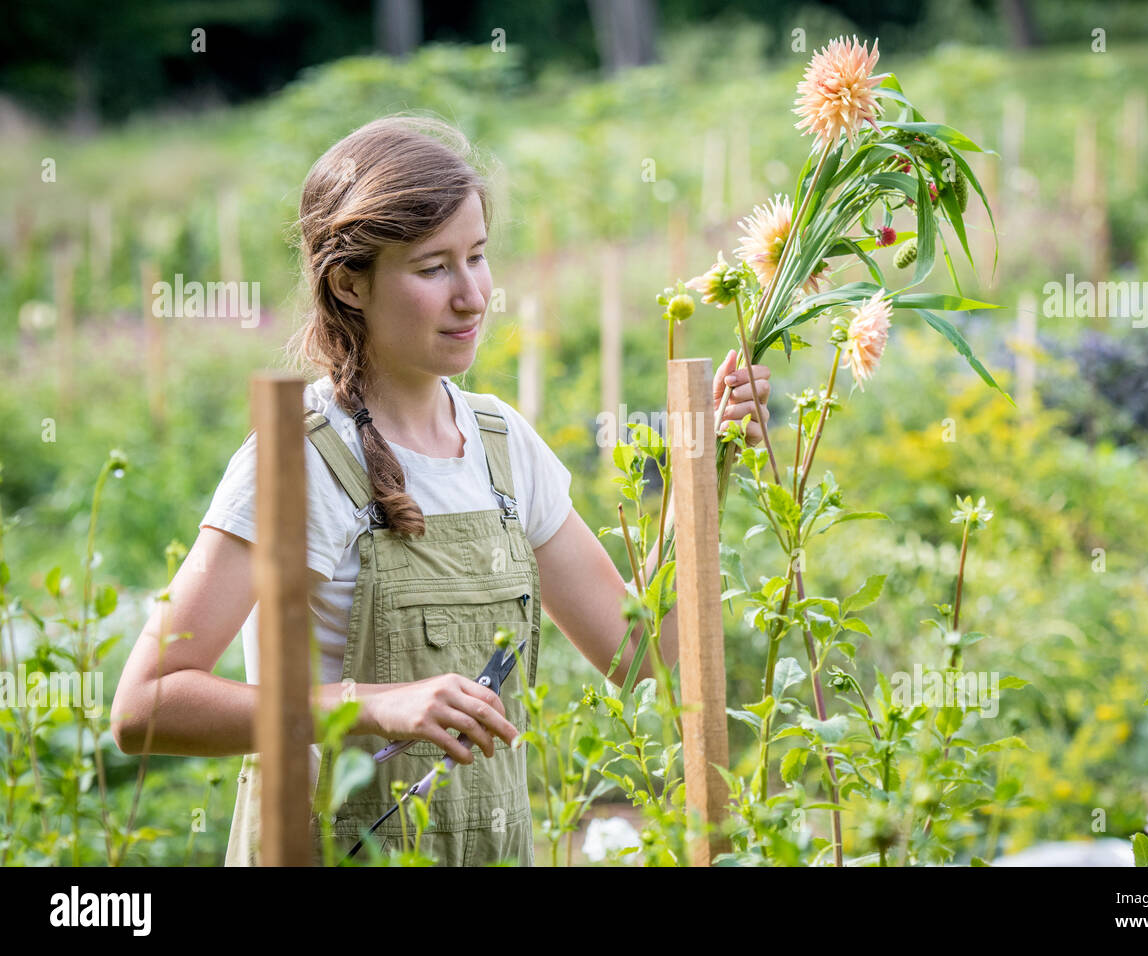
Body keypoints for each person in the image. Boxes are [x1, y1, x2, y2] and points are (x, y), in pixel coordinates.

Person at [109, 115, 772, 867]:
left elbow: (641, 655)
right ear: (349, 283)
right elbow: (147, 706)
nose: (473, 296)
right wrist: (374, 705)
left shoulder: (501, 444)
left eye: (479, 257)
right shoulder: (297, 462)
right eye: (433, 269)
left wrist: (706, 467)